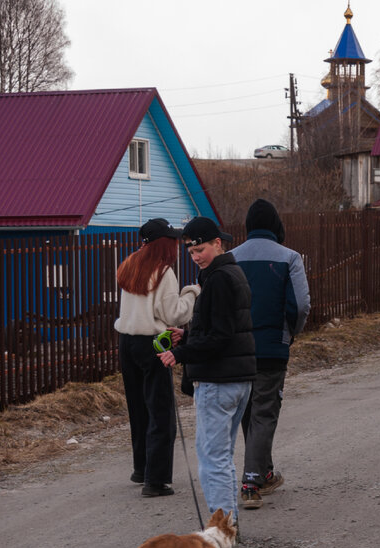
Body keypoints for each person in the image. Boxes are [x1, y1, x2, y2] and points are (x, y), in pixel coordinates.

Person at [157, 216, 255, 531]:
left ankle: (222, 530)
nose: (196, 256)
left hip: (219, 380)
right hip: (235, 376)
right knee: (221, 458)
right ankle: (228, 525)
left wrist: (181, 353)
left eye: (201, 249)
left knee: (212, 462)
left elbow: (221, 337)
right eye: (191, 251)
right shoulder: (229, 273)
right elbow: (222, 330)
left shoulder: (219, 278)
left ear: (218, 243)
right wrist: (187, 337)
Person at [230, 199, 311, 510]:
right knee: (264, 411)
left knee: (249, 410)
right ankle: (251, 482)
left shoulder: (229, 258)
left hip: (237, 349)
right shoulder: (289, 258)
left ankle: (264, 471)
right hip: (271, 348)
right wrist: (292, 332)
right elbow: (301, 305)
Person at [113, 218, 199, 498]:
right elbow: (175, 314)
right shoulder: (164, 272)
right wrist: (192, 293)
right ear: (165, 243)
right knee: (160, 412)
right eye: (173, 240)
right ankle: (157, 480)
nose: (176, 244)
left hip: (127, 342)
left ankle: (142, 469)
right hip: (153, 344)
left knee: (138, 409)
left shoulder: (129, 264)